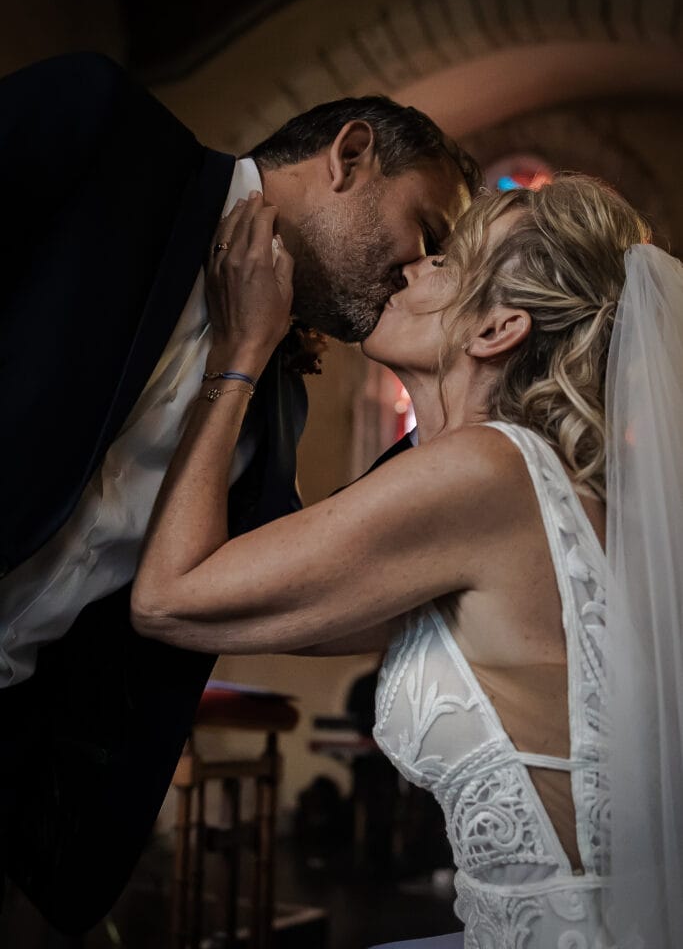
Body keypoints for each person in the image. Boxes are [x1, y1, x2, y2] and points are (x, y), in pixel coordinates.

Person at [132, 174, 683, 948]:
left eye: (448, 263)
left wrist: (240, 350)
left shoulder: (485, 472)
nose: (414, 263)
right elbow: (292, 617)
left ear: (497, 330)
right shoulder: (523, 485)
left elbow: (170, 598)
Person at [0, 51, 479, 934]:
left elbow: (289, 578)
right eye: (428, 228)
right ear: (349, 154)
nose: (419, 269)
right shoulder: (106, 135)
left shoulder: (276, 399)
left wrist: (474, 396)